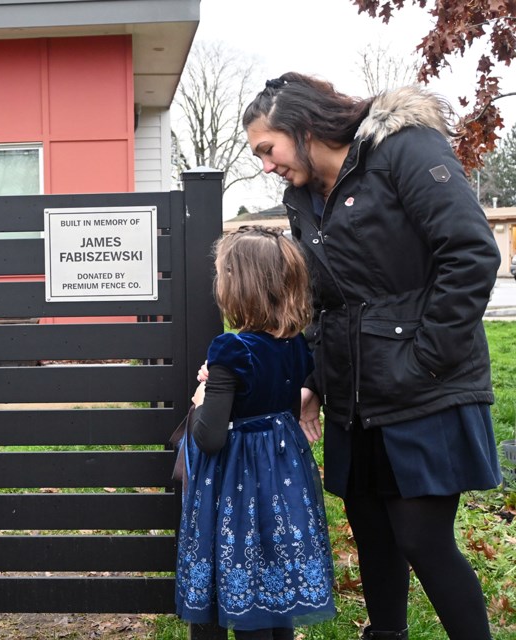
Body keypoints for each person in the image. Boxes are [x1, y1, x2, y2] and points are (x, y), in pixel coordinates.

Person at [242, 73, 502, 640]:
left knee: (422, 540)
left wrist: (426, 359)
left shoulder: (404, 150)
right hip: (354, 395)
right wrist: (312, 377)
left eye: (268, 148)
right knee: (375, 538)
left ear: (302, 127)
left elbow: (472, 253)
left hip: (425, 387)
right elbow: (321, 300)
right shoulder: (305, 199)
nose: (266, 164)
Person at [174, 226, 336, 638]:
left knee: (229, 567)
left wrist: (202, 397)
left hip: (232, 488)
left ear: (238, 285)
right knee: (272, 574)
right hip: (282, 485)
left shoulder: (231, 349)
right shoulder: (295, 345)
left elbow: (210, 435)